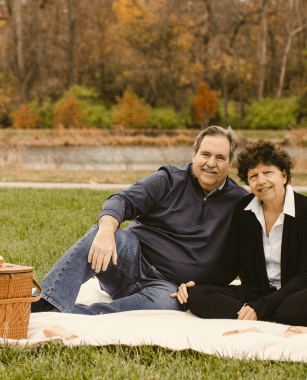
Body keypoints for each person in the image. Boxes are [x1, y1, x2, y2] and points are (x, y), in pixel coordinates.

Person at [31, 125, 248, 315]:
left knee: (167, 306)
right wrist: (106, 232)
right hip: (129, 262)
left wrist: (200, 286)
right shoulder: (170, 179)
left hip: (166, 287)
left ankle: (74, 313)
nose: (211, 163)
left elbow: (238, 258)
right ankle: (42, 301)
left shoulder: (240, 201)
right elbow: (121, 201)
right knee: (103, 233)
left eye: (220, 158)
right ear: (194, 155)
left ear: (230, 165)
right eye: (206, 154)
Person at [179, 140, 307, 333]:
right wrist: (197, 284)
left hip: (295, 292)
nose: (261, 181)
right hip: (254, 293)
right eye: (253, 176)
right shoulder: (243, 209)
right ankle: (289, 321)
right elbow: (230, 265)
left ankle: (256, 318)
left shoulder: (306, 208)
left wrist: (262, 306)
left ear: (284, 174)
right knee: (197, 296)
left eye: (268, 172)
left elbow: (306, 274)